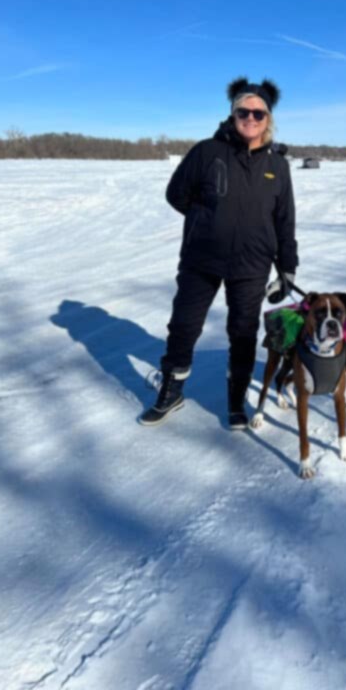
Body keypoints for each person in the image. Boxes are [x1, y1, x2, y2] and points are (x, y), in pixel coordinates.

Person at [140, 77, 298, 430]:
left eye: (259, 112)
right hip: (202, 260)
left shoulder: (279, 165)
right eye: (244, 110)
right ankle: (171, 392)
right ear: (232, 113)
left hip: (252, 265)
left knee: (242, 333)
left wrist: (287, 268)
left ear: (268, 118)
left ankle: (235, 400)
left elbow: (285, 219)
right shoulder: (206, 152)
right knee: (183, 326)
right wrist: (205, 219)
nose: (251, 117)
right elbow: (176, 194)